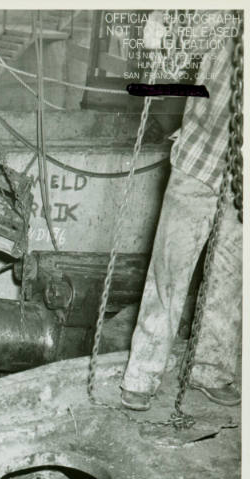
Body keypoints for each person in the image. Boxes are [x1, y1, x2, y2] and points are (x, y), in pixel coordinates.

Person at [121, 11, 242, 411]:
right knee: (169, 272)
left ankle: (211, 369)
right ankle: (142, 374)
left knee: (232, 278)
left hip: (243, 174)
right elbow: (180, 51)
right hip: (201, 158)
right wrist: (159, 26)